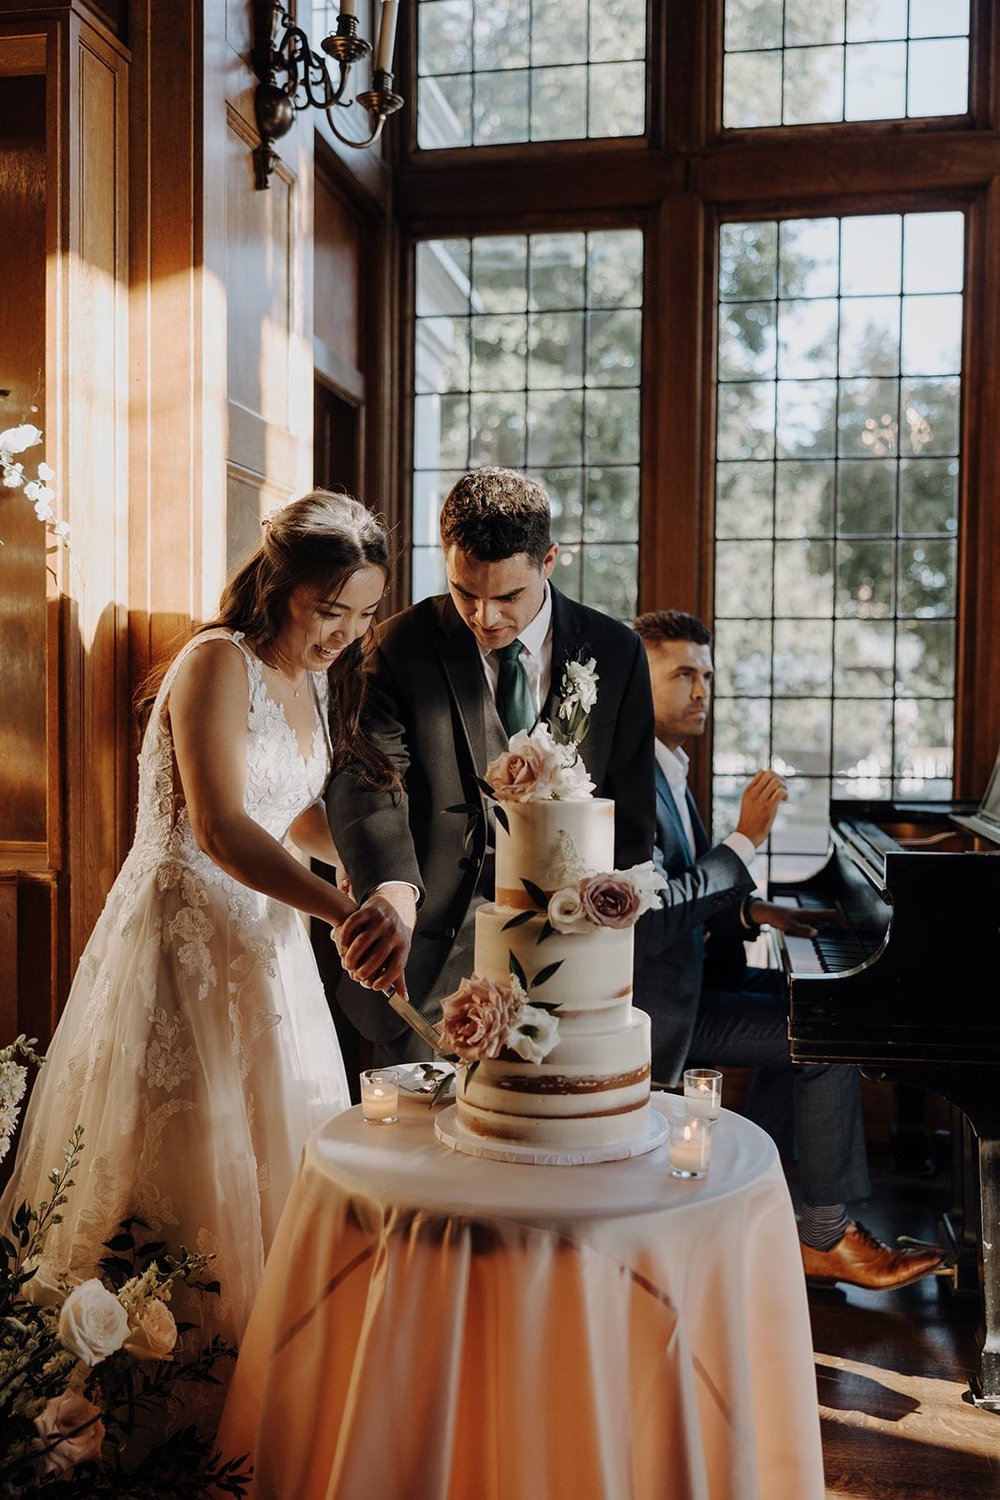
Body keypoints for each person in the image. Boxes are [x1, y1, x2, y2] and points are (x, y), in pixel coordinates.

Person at [0, 491, 398, 1346]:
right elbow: (220, 826)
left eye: (363, 615)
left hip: (265, 946)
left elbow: (288, 811)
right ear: (283, 581)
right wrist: (342, 914)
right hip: (180, 941)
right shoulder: (218, 661)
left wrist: (388, 880)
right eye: (331, 610)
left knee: (268, 1160)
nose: (346, 634)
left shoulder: (312, 678)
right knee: (180, 1164)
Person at [632, 609, 944, 1291]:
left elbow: (682, 889)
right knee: (824, 1039)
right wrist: (744, 840)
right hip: (657, 1010)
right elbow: (649, 922)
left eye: (708, 674)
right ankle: (826, 1236)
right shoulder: (630, 779)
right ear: (635, 678)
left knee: (811, 1007)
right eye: (682, 673)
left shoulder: (669, 767)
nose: (702, 689)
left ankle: (764, 1210)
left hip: (691, 984)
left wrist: (753, 908)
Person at [327, 465, 655, 1063]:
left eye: (508, 596)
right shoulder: (396, 647)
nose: (485, 617)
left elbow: (629, 811)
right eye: (465, 592)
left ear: (549, 560)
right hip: (426, 960)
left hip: (565, 959)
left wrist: (607, 954)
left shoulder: (616, 651)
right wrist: (393, 891)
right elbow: (369, 780)